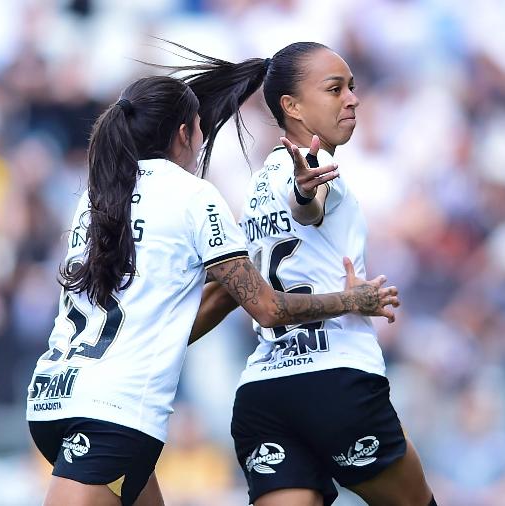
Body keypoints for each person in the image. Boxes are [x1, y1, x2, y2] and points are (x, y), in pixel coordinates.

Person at [25, 74, 400, 506]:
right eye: (200, 128)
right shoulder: (192, 196)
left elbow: (197, 298)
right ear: (184, 133)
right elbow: (267, 307)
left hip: (53, 398)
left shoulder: (97, 197)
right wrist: (352, 300)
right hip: (114, 416)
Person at [172, 41, 435, 505]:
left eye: (352, 87)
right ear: (291, 106)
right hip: (335, 383)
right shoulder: (312, 168)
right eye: (335, 89)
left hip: (265, 393)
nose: (352, 98)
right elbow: (307, 205)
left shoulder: (254, 188)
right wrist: (303, 189)